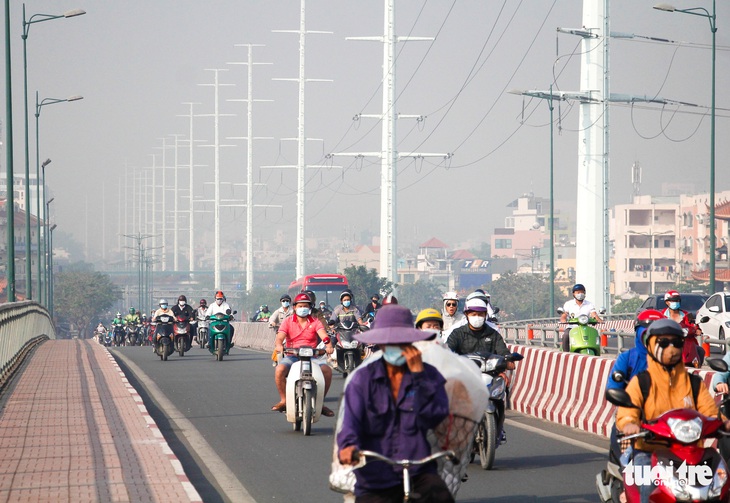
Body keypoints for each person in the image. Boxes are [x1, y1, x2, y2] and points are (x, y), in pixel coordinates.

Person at [337, 304, 453, 502]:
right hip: (375, 476)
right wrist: (348, 447)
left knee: (441, 496)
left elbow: (437, 415)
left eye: (401, 341)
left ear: (411, 342)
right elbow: (351, 424)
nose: (395, 346)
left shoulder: (430, 376)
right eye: (390, 342)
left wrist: (419, 377)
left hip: (418, 470)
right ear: (380, 344)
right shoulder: (362, 380)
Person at [615, 318, 730, 502]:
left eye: (676, 342)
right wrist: (630, 424)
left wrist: (723, 422)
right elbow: (627, 411)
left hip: (692, 454)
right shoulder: (641, 382)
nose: (671, 348)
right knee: (647, 487)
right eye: (664, 342)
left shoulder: (693, 383)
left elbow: (710, 411)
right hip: (650, 451)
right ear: (651, 345)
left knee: (721, 482)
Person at [272, 293, 335, 416]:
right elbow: (280, 337)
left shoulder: (315, 321)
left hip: (312, 356)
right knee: (280, 369)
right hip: (292, 355)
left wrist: (328, 345)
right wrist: (279, 345)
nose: (303, 308)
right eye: (300, 306)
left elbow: (323, 335)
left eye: (306, 306)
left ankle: (320, 403)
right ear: (295, 307)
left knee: (327, 370)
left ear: (310, 307)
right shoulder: (288, 321)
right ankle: (284, 400)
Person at [661, 290, 704, 367]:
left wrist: (697, 329)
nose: (676, 302)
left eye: (677, 300)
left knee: (700, 351)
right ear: (667, 302)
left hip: (686, 342)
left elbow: (693, 325)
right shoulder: (661, 315)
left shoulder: (687, 314)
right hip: (667, 342)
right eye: (673, 301)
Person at [560, 283, 602, 352]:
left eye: (582, 292)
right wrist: (563, 320)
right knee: (566, 335)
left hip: (585, 327)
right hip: (572, 328)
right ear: (573, 294)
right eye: (578, 292)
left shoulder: (589, 304)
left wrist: (599, 320)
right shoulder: (569, 304)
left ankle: (597, 352)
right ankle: (566, 354)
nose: (580, 294)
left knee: (596, 335)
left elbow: (594, 314)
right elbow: (564, 315)